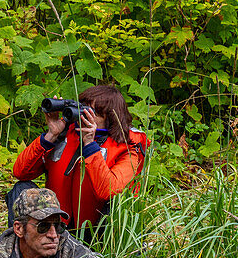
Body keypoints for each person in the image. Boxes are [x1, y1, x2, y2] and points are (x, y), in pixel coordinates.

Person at [11, 84, 149, 242]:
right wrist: (51, 135)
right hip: (57, 224)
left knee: (113, 207)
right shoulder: (66, 135)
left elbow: (110, 191)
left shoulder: (127, 148)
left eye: (94, 112)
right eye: (83, 108)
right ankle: (22, 250)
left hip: (97, 232)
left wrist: (90, 145)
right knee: (21, 189)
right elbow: (20, 172)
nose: (84, 116)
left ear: (111, 119)